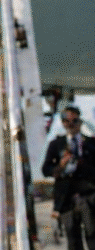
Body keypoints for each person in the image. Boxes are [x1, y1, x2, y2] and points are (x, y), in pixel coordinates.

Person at [42, 106, 95, 250]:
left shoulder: (91, 143)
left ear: (80, 122)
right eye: (67, 121)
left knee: (92, 236)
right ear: (63, 123)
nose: (71, 124)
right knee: (72, 239)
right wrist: (60, 165)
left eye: (74, 120)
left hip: (88, 196)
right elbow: (46, 170)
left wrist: (82, 164)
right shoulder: (56, 144)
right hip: (66, 198)